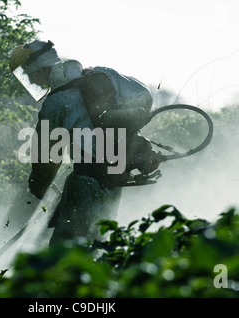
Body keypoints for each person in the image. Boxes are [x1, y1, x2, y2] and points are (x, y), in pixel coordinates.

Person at [9, 40, 163, 246]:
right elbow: (143, 97)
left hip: (84, 186)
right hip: (113, 184)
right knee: (97, 245)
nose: (33, 83)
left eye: (31, 75)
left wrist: (38, 187)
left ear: (44, 68)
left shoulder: (56, 104)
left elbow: (46, 160)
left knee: (65, 253)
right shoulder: (102, 75)